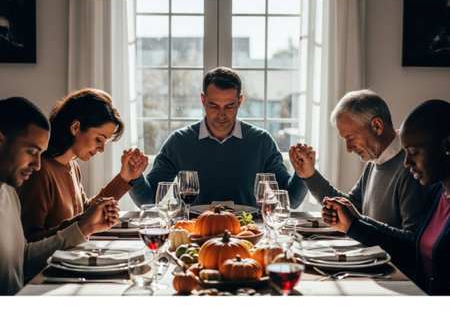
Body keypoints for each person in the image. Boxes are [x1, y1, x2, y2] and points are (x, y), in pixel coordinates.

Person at [128, 66, 307, 209]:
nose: (221, 115)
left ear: (240, 101)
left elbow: (290, 200)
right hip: (193, 233)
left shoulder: (261, 141)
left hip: (248, 234)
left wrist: (302, 173)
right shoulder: (179, 141)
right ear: (203, 100)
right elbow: (148, 199)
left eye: (229, 106)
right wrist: (135, 177)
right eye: (214, 105)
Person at [321, 99, 450, 295]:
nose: (406, 162)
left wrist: (356, 225)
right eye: (405, 152)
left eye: (413, 152)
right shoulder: (437, 195)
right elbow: (412, 248)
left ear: (447, 145)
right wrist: (356, 223)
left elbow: (409, 250)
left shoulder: (421, 185)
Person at [0, 97, 120, 295]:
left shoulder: (9, 192)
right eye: (31, 152)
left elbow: (24, 259)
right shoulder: (33, 177)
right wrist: (81, 226)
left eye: (41, 154)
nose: (37, 165)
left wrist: (84, 227)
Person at [289, 89, 428, 239]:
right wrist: (310, 175)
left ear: (377, 126)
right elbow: (351, 207)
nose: (348, 148)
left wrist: (358, 223)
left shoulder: (411, 168)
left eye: (351, 137)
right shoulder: (374, 162)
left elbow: (412, 241)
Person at [17, 88, 148, 241]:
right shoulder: (40, 170)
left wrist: (125, 177)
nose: (101, 149)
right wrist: (84, 225)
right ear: (75, 127)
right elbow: (31, 241)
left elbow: (85, 212)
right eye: (99, 139)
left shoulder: (71, 166)